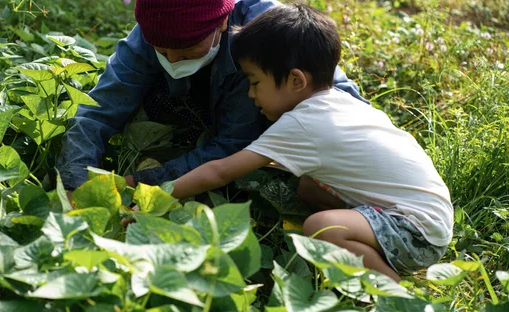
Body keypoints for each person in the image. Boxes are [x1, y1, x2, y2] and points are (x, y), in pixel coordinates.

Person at [168, 4, 454, 282]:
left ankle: (391, 294)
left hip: (417, 232)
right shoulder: (338, 103)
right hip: (428, 215)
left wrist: (159, 197)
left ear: (295, 80)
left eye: (254, 83)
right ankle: (365, 251)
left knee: (319, 228)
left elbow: (220, 171)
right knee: (308, 186)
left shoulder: (302, 124)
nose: (252, 95)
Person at [56, 0, 366, 192]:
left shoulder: (266, 36)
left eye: (188, 49)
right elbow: (96, 111)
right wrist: (75, 184)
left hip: (305, 135)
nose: (173, 61)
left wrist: (139, 183)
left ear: (222, 22)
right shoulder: (150, 32)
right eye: (161, 51)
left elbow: (231, 147)